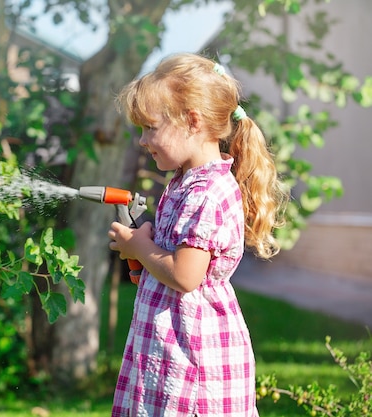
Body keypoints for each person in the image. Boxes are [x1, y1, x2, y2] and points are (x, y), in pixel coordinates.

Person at [107, 52, 287, 417]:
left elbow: (186, 276)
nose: (142, 140)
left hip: (191, 358)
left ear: (192, 121)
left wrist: (140, 247)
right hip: (170, 346)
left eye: (150, 127)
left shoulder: (206, 191)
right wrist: (145, 250)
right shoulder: (185, 182)